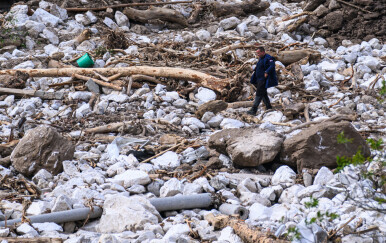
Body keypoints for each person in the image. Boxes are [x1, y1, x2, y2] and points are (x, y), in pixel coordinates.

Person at [247, 46, 278, 115]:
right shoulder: (260, 58)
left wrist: (267, 72)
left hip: (263, 79)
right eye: (257, 53)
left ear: (263, 52)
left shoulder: (269, 58)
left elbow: (272, 65)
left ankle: (254, 110)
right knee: (263, 94)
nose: (257, 55)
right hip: (258, 79)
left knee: (259, 93)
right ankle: (269, 107)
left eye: (258, 53)